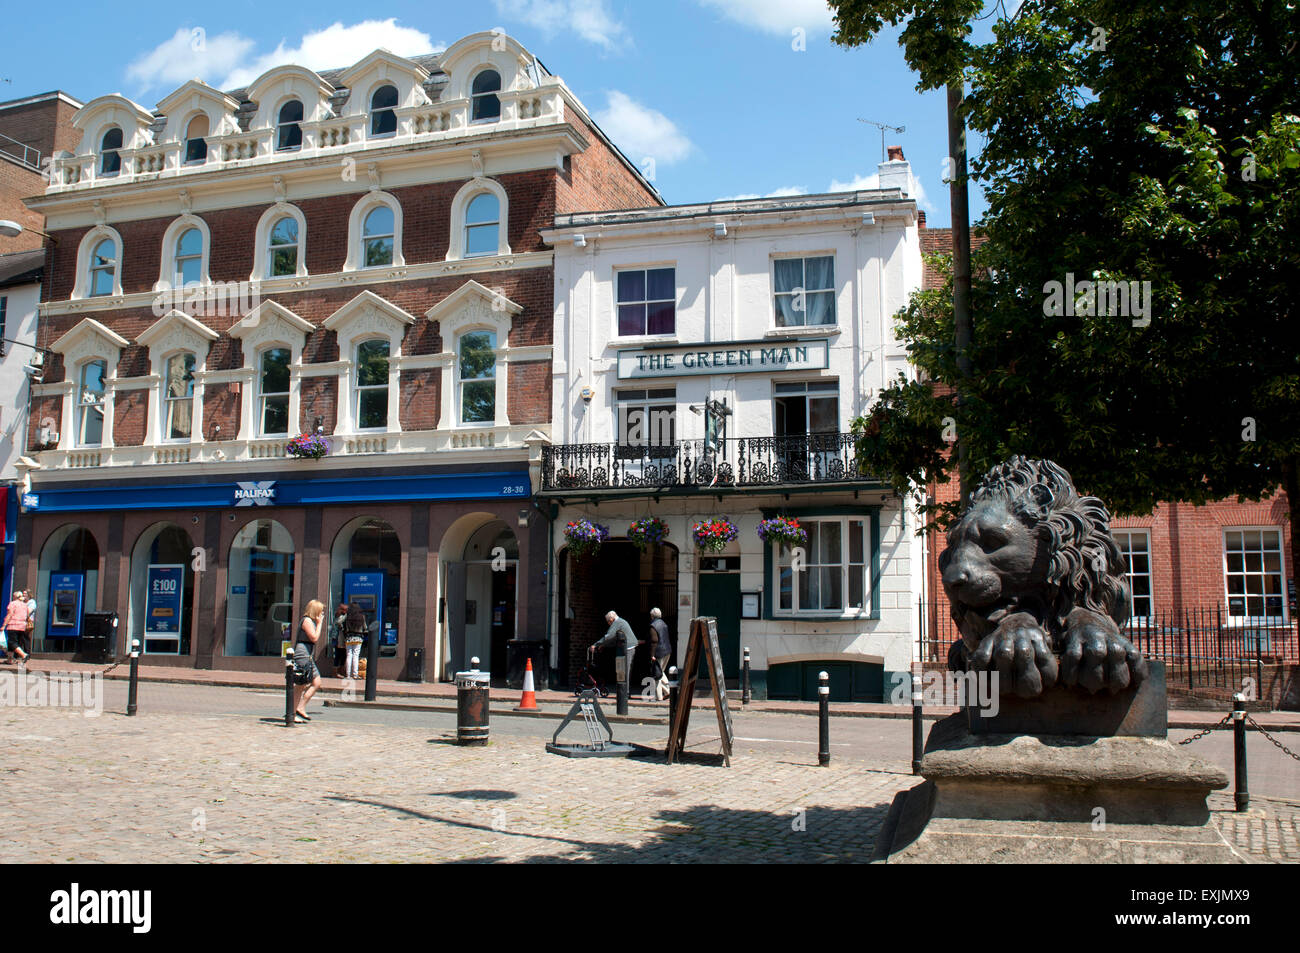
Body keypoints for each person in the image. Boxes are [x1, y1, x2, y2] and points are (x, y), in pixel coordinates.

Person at [589, 610, 638, 698]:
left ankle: (624, 694)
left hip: (628, 648)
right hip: (629, 647)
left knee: (624, 671)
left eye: (608, 622)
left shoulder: (617, 622)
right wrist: (603, 645)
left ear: (611, 619)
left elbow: (609, 636)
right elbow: (614, 638)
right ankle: (625, 692)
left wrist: (596, 644)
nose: (608, 624)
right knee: (625, 670)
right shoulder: (621, 622)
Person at [292, 600, 325, 722]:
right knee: (301, 683)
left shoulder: (310, 621)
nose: (322, 613)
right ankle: (293, 710)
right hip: (303, 653)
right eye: (321, 611)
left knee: (316, 682)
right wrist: (320, 623)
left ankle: (300, 707)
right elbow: (314, 637)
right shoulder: (307, 621)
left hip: (307, 653)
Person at [648, 607, 672, 701]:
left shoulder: (653, 626)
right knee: (660, 672)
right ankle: (668, 691)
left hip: (659, 652)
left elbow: (654, 641)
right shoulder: (664, 624)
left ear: (652, 616)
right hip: (667, 651)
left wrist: (652, 655)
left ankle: (660, 696)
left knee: (657, 674)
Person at [3, 592, 30, 664]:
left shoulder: (13, 604)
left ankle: (24, 655)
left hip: (13, 625)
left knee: (11, 642)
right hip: (22, 627)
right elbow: (27, 615)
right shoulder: (25, 605)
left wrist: (3, 625)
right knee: (14, 643)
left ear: (15, 597)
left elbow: (9, 615)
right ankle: (10, 659)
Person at [343, 602, 367, 679]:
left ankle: (348, 674)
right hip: (358, 638)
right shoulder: (361, 617)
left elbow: (339, 622)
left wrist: (343, 628)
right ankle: (355, 674)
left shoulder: (347, 616)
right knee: (356, 655)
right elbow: (365, 627)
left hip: (349, 637)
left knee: (349, 655)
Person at [332, 603, 348, 676]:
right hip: (339, 638)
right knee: (339, 655)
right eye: (345, 609)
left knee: (342, 655)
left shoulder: (337, 615)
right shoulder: (340, 616)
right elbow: (339, 623)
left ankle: (339, 671)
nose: (346, 611)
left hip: (339, 637)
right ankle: (336, 672)